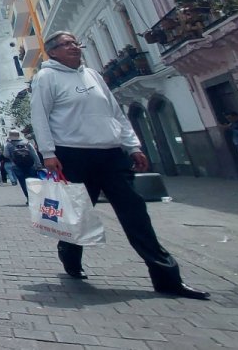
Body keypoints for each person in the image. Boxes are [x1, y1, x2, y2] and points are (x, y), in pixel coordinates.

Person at [32, 30, 209, 300]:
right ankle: (69, 253)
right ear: (52, 51)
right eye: (67, 44)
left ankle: (167, 278)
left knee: (135, 213)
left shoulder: (92, 75)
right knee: (76, 216)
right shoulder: (46, 77)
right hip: (73, 156)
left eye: (76, 43)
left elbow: (115, 113)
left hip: (111, 154)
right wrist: (48, 153)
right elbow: (40, 117)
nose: (75, 47)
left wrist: (133, 145)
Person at [3, 129, 40, 201]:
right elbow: (34, 154)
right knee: (34, 182)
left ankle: (29, 198)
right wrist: (38, 164)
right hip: (30, 165)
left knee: (23, 183)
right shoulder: (26, 143)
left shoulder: (8, 145)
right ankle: (37, 197)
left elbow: (6, 155)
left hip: (17, 166)